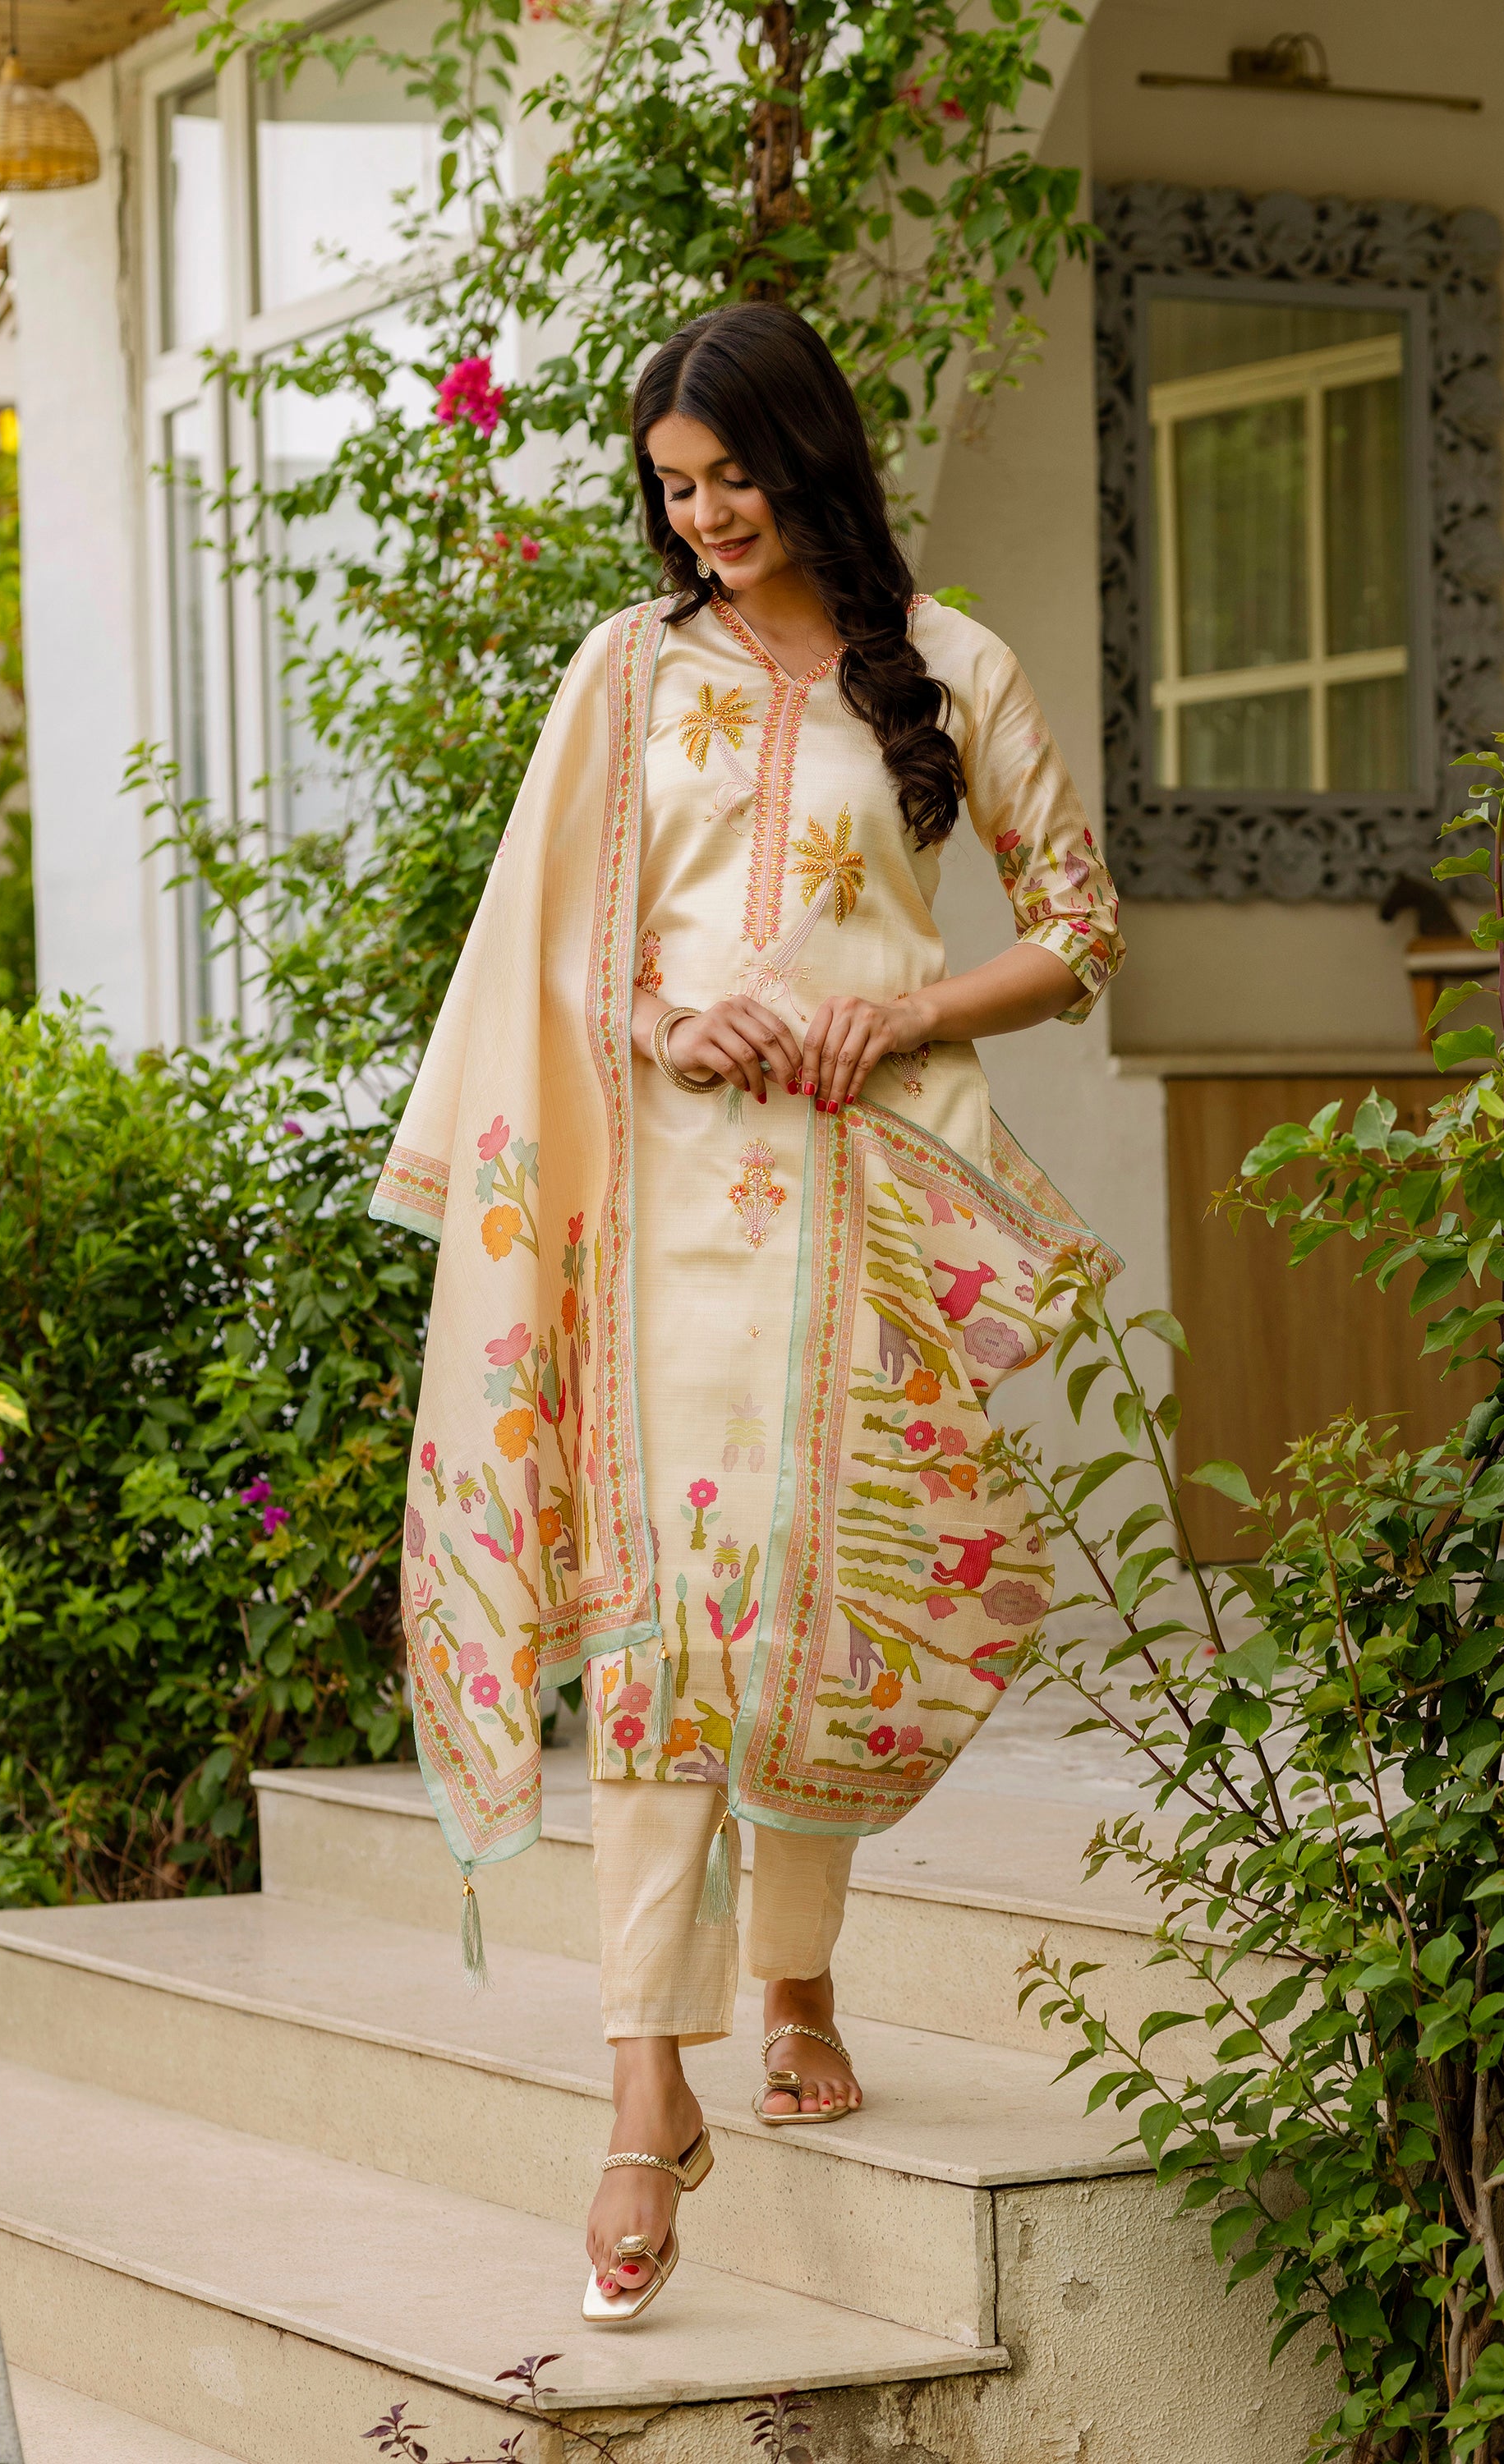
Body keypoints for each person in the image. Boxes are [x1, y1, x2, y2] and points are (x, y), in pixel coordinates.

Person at [370, 301, 1124, 2324]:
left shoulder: (949, 669)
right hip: (673, 1209)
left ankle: (794, 1970)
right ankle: (644, 2087)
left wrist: (901, 1004)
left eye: (730, 478)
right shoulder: (628, 676)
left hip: (870, 1204)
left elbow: (1075, 927)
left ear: (810, 458)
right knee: (670, 1618)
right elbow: (559, 956)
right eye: (672, 488)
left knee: (827, 1605)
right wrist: (656, 1014)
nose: (700, 516)